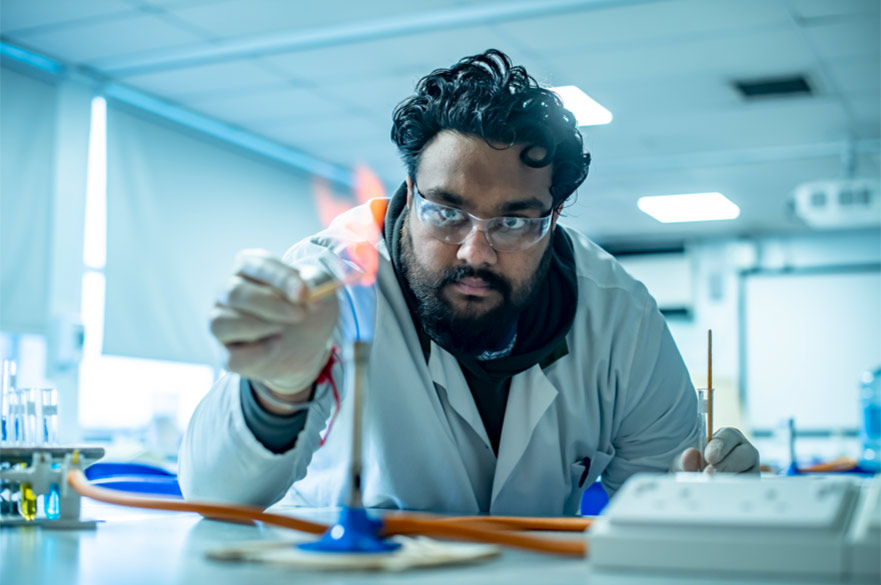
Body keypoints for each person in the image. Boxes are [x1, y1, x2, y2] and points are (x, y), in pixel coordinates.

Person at [179, 49, 758, 515]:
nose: (475, 251)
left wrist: (711, 500)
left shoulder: (619, 317)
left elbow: (666, 510)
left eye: (513, 221)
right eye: (447, 212)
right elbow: (215, 495)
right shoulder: (330, 285)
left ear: (554, 218)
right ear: (410, 192)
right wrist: (279, 391)